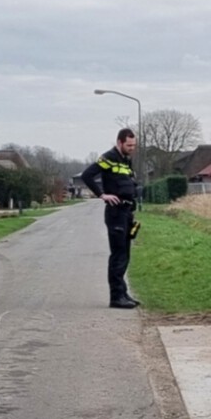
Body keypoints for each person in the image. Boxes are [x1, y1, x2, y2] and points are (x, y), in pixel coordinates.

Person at [79, 127, 141, 309]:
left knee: (125, 254)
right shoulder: (109, 158)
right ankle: (116, 297)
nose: (132, 148)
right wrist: (102, 194)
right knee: (118, 255)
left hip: (127, 212)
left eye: (134, 145)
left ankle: (123, 293)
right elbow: (87, 175)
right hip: (115, 212)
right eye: (129, 145)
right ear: (119, 142)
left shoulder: (126, 161)